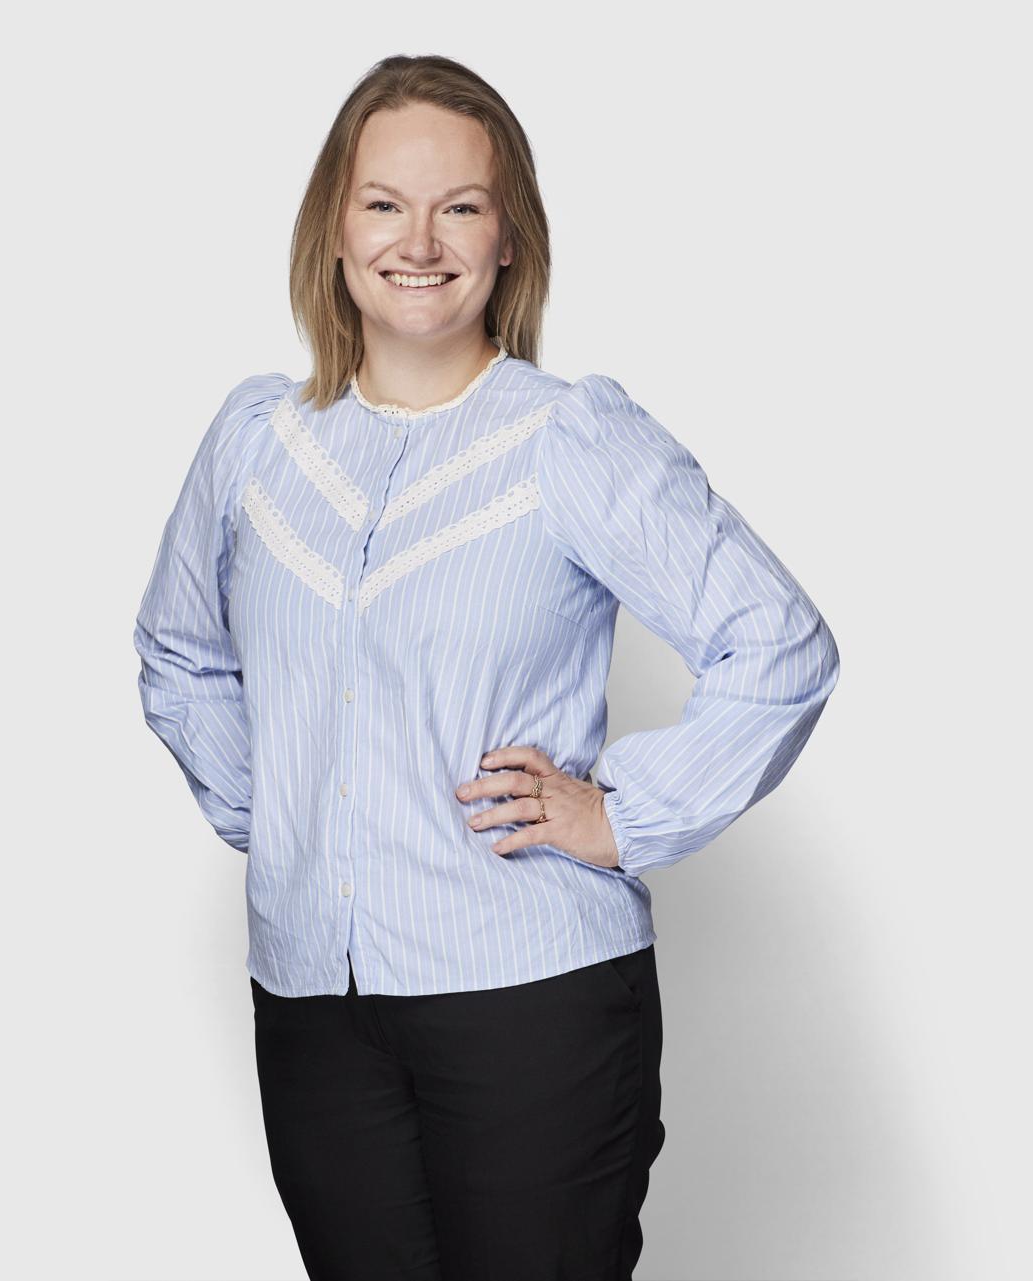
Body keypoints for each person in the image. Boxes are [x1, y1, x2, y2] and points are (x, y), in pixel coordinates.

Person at [133, 54, 840, 1281]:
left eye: (459, 205)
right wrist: (277, 809)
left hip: (531, 1004)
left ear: (509, 239)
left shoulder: (571, 439)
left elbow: (779, 644)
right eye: (384, 204)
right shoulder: (256, 442)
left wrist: (621, 816)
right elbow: (179, 650)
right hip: (312, 1010)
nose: (420, 241)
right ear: (334, 229)